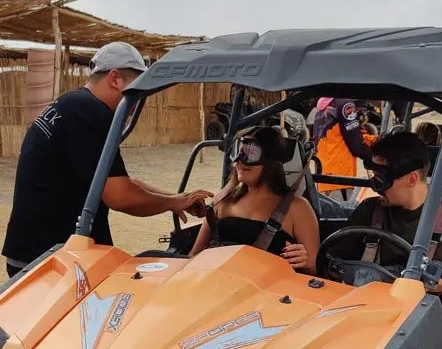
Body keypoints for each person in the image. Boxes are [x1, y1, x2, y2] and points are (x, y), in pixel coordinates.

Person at [2, 42, 212, 278]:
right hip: (49, 257)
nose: (141, 98)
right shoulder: (90, 112)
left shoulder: (73, 104)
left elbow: (116, 180)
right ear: (115, 79)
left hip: (37, 249)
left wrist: (174, 198)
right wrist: (171, 204)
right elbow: (120, 196)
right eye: (138, 86)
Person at [332, 131, 442, 349]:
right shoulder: (370, 210)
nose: (376, 189)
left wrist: (425, 285)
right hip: (367, 308)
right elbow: (331, 261)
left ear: (412, 179)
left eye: (382, 181)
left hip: (430, 314)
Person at [190, 126, 320, 273]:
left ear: (271, 160)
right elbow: (194, 257)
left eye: (250, 154)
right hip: (218, 287)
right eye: (238, 152)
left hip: (271, 292)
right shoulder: (223, 201)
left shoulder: (297, 209)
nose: (240, 161)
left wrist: (306, 261)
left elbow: (316, 270)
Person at [313, 98, 375, 202]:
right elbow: (356, 144)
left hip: (324, 177)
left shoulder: (323, 107)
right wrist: (374, 157)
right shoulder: (345, 106)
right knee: (344, 215)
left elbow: (339, 137)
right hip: (341, 178)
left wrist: (371, 139)